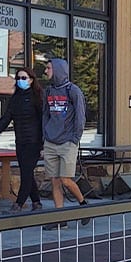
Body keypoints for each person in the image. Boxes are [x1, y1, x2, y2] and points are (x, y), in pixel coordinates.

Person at [0, 68, 44, 212]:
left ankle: (18, 204)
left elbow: (44, 121)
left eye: (24, 78)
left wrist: (44, 143)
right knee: (27, 172)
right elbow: (6, 119)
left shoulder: (38, 97)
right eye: (18, 78)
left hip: (34, 141)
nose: (20, 81)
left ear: (31, 80)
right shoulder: (15, 99)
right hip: (21, 141)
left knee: (26, 173)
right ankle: (36, 202)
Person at [41, 58, 89, 229]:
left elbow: (80, 117)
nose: (45, 71)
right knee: (54, 181)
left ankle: (84, 205)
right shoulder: (48, 91)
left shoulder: (73, 91)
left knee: (65, 179)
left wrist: (75, 139)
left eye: (48, 68)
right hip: (51, 142)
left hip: (67, 142)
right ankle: (60, 219)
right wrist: (45, 136)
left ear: (58, 69)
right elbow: (45, 115)